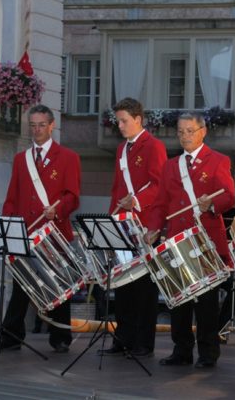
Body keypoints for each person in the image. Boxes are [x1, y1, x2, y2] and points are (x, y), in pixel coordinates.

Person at [146, 111, 235, 369]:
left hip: (205, 239)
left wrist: (211, 204)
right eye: (181, 132)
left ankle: (208, 353)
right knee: (179, 299)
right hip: (176, 239)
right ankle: (181, 350)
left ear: (202, 132)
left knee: (206, 302)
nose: (185, 136)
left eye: (190, 131)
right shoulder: (170, 165)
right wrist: (153, 228)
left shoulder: (218, 160)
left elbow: (229, 196)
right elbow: (161, 203)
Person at [0, 104, 81, 353]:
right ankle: (11, 336)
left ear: (52, 125)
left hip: (54, 235)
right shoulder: (20, 159)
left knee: (59, 286)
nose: (37, 130)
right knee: (21, 286)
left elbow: (73, 196)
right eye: (33, 125)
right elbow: (12, 198)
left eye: (42, 125)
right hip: (26, 233)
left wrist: (58, 209)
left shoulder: (68, 157)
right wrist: (8, 228)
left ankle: (61, 337)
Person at [99, 98, 167, 358]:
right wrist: (110, 224)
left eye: (124, 121)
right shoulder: (121, 149)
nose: (120, 126)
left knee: (144, 289)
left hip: (144, 225)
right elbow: (117, 189)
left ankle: (143, 343)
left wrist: (136, 201)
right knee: (122, 286)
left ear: (138, 119)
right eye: (118, 121)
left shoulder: (154, 146)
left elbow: (159, 184)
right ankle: (123, 338)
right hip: (122, 225)